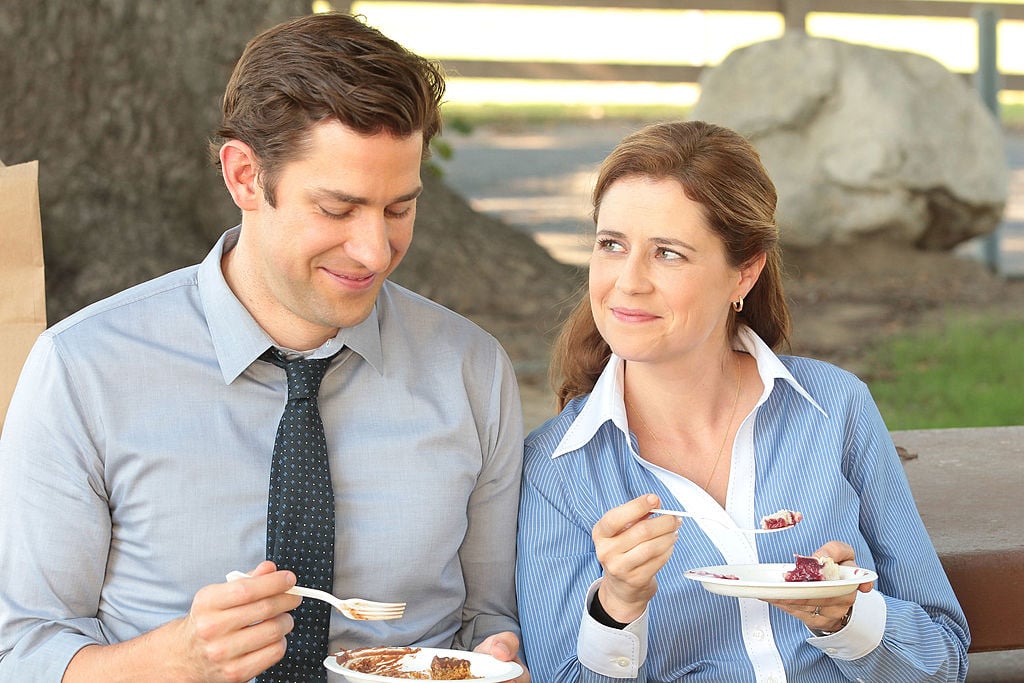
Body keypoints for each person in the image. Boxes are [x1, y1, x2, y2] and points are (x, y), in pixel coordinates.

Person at [0, 12, 528, 683]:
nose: (375, 250)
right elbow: (22, 651)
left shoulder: (470, 370)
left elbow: (491, 616)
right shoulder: (83, 370)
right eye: (338, 209)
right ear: (245, 176)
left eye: (399, 208)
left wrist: (497, 656)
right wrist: (179, 659)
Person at [515, 120, 968, 682]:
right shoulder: (557, 468)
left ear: (744, 272)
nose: (627, 282)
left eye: (669, 254)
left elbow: (944, 661)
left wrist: (847, 618)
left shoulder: (835, 408)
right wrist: (617, 607)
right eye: (612, 245)